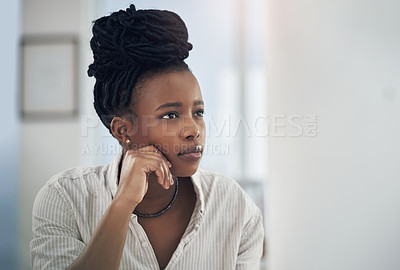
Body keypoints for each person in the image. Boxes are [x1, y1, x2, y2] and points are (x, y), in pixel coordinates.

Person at [30, 4, 264, 270]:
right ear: (123, 130)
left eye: (198, 112)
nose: (193, 130)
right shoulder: (66, 198)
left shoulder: (233, 204)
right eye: (170, 116)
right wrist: (123, 203)